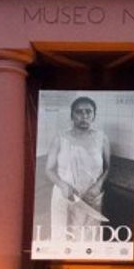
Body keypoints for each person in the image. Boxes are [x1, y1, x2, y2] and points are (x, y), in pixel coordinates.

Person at [46, 96, 111, 241]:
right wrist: (62, 185)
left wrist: (98, 185)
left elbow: (107, 167)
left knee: (88, 238)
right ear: (72, 115)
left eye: (88, 112)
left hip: (90, 197)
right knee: (62, 237)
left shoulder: (102, 138)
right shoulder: (60, 137)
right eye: (79, 112)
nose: (84, 116)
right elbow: (49, 169)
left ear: (94, 115)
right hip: (65, 194)